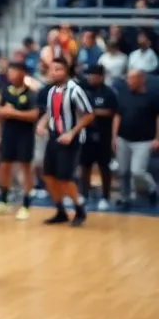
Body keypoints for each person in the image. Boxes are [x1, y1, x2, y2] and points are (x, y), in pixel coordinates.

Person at [36, 58, 95, 226]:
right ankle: (61, 211)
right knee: (48, 175)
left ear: (66, 72)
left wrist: (71, 133)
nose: (54, 72)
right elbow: (50, 112)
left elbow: (89, 115)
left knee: (65, 177)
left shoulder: (75, 90)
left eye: (58, 69)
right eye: (52, 69)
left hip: (71, 139)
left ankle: (79, 209)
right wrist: (41, 124)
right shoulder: (51, 91)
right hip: (54, 137)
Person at [0, 61, 40, 220]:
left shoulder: (31, 93)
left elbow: (34, 115)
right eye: (10, 71)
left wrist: (13, 113)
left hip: (25, 136)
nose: (11, 75)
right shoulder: (5, 91)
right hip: (8, 134)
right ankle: (3, 201)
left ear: (23, 73)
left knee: (26, 167)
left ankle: (26, 204)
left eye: (14, 71)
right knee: (4, 166)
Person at [112, 69, 159, 211]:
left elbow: (158, 117)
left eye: (131, 79)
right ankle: (125, 198)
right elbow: (117, 116)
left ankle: (152, 188)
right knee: (123, 171)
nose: (128, 81)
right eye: (127, 78)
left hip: (143, 141)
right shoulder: (124, 94)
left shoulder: (152, 96)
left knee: (137, 171)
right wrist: (114, 136)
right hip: (123, 139)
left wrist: (157, 138)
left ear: (141, 80)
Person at [77, 65, 118, 211]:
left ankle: (105, 197)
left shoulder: (109, 93)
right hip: (86, 133)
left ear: (101, 77)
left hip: (103, 134)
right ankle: (84, 194)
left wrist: (94, 112)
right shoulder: (82, 90)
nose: (90, 77)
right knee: (85, 166)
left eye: (93, 75)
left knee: (103, 167)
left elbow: (112, 112)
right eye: (89, 75)